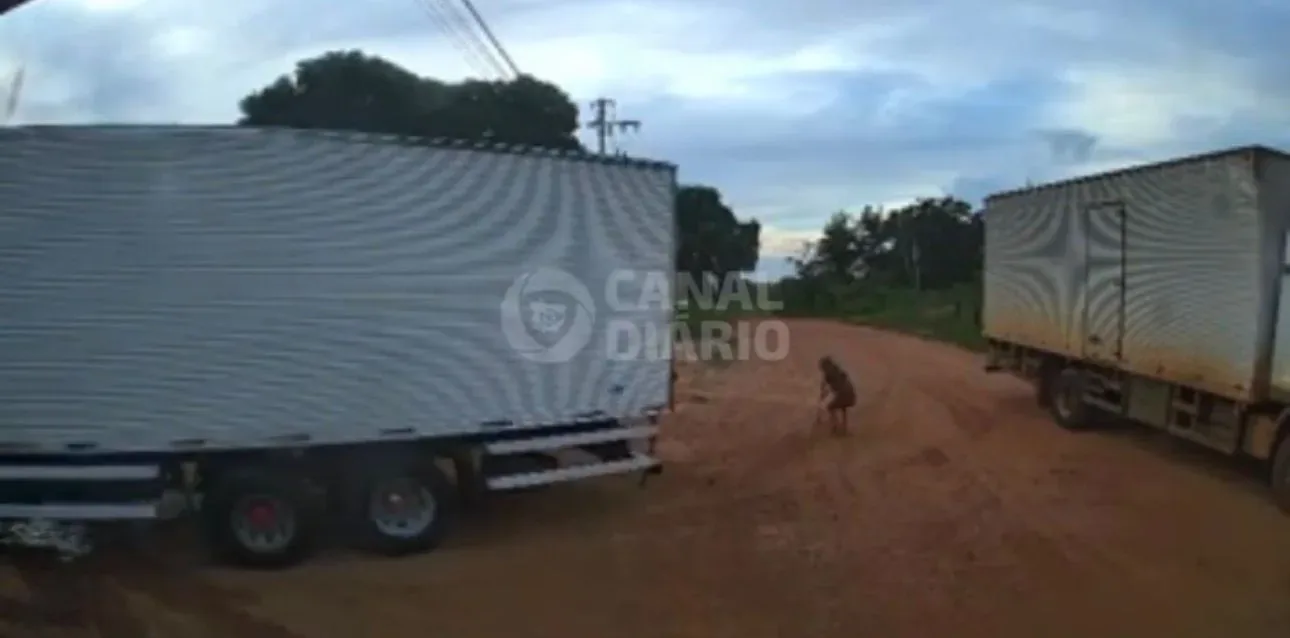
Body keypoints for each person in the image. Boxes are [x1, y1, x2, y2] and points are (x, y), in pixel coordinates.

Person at [817, 356, 856, 436]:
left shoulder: (829, 376)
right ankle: (844, 427)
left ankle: (835, 427)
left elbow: (825, 389)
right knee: (843, 408)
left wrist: (822, 400)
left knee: (831, 407)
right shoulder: (840, 372)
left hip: (843, 396)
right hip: (850, 396)